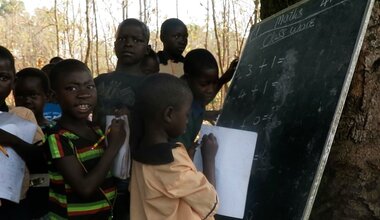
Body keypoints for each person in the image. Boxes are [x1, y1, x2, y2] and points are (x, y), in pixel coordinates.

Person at [45, 59, 126, 219]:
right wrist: (113, 147)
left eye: (90, 86)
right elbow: (84, 188)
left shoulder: (95, 129)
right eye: (72, 88)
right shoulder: (58, 138)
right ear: (54, 97)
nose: (84, 94)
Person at [130, 73, 219, 220]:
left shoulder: (139, 152)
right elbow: (211, 202)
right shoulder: (171, 163)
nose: (188, 121)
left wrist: (188, 159)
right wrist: (209, 158)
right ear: (169, 114)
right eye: (186, 115)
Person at [93, 18, 150, 220]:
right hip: (95, 165)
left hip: (133, 170)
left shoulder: (151, 85)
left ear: (147, 48)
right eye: (123, 38)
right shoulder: (98, 81)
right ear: (115, 43)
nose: (129, 43)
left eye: (137, 40)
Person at [0, 46, 44, 219]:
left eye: (3, 78)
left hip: (14, 206)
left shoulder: (22, 116)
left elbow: (39, 160)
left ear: (13, 81)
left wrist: (12, 140)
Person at [13, 67, 55, 219]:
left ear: (48, 96)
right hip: (20, 203)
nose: (26, 101)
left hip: (50, 203)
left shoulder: (55, 130)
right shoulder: (9, 130)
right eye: (21, 96)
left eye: (33, 95)